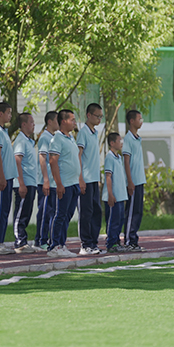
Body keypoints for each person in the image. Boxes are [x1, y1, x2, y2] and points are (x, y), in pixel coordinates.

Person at [47, 109, 81, 258]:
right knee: (60, 215)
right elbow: (53, 161)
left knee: (67, 215)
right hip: (64, 184)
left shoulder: (71, 138)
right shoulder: (57, 139)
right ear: (63, 121)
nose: (74, 122)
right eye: (72, 120)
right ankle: (54, 246)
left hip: (74, 183)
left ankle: (62, 244)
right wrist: (58, 183)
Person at [0, 102, 18, 255]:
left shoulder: (3, 131)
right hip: (2, 177)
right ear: (0, 114)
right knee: (1, 210)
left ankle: (0, 241)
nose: (10, 116)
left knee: (5, 210)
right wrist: (1, 176)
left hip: (8, 177)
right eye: (8, 113)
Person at [12, 113, 43, 253]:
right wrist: (21, 183)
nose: (34, 125)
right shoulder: (20, 140)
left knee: (27, 212)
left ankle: (23, 240)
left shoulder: (29, 141)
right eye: (31, 122)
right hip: (23, 182)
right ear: (23, 124)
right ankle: (19, 242)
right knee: (21, 213)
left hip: (31, 182)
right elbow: (17, 161)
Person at [77, 103, 103, 255]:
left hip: (94, 179)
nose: (99, 119)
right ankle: (85, 244)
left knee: (96, 211)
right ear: (89, 115)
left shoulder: (95, 133)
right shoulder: (83, 133)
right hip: (85, 179)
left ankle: (93, 243)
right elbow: (79, 155)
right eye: (97, 116)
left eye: (101, 116)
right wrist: (80, 178)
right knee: (86, 212)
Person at [34, 111, 59, 250]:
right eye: (57, 120)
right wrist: (45, 180)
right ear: (50, 121)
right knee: (45, 211)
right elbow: (42, 158)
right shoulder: (45, 137)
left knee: (52, 212)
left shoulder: (54, 137)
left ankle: (48, 239)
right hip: (46, 181)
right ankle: (40, 240)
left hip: (53, 182)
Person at [122, 109, 146, 251]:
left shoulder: (137, 138)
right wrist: (129, 181)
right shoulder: (128, 139)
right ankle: (128, 240)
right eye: (139, 119)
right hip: (133, 182)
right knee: (131, 211)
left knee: (138, 211)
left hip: (140, 180)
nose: (141, 121)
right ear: (132, 121)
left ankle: (134, 240)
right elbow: (126, 160)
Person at [103, 132, 129, 253]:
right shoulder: (109, 157)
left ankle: (117, 241)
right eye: (119, 141)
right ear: (112, 143)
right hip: (113, 196)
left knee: (120, 220)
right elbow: (108, 176)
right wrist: (110, 194)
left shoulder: (118, 157)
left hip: (120, 195)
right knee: (113, 220)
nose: (121, 143)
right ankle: (111, 243)